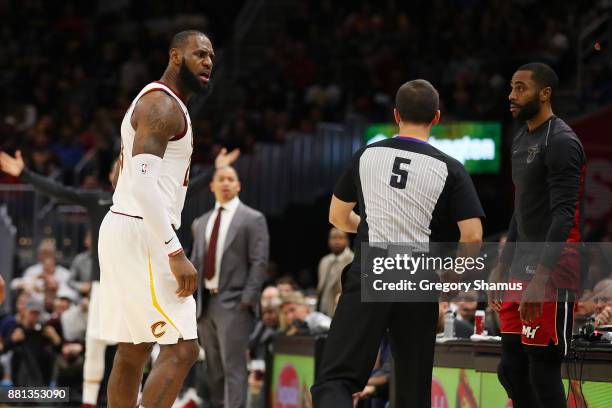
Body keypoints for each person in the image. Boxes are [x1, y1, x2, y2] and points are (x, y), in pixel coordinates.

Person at [0, 141, 238, 406]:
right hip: (104, 286)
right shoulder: (98, 200)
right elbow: (59, 191)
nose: (120, 169)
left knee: (146, 349)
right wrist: (24, 174)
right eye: (117, 166)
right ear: (114, 175)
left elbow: (188, 188)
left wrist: (212, 171)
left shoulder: (153, 203)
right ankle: (89, 402)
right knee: (101, 347)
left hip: (140, 280)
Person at [311, 79, 484, 407]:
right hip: (418, 274)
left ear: (396, 115)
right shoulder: (450, 168)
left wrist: (366, 224)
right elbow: (473, 235)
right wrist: (455, 274)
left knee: (337, 379)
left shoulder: (366, 155)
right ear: (436, 117)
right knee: (411, 388)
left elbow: (337, 216)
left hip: (371, 267)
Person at [97, 30, 215, 408]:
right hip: (142, 230)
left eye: (211, 56)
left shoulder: (164, 103)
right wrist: (174, 251)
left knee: (134, 348)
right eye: (199, 54)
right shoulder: (162, 106)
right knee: (183, 349)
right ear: (175, 57)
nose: (208, 62)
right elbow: (146, 188)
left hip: (127, 225)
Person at [489, 63, 586, 408]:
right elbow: (521, 209)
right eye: (511, 88)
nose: (511, 96)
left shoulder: (561, 141)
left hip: (553, 269)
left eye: (520, 88)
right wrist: (503, 264)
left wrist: (540, 277)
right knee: (510, 369)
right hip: (521, 269)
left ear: (545, 94)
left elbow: (563, 216)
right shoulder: (521, 138)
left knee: (542, 370)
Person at [191, 165, 269, 408]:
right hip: (205, 304)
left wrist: (247, 300)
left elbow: (259, 262)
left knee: (234, 368)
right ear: (212, 186)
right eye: (221, 179)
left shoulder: (252, 218)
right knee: (214, 371)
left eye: (231, 179)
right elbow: (195, 264)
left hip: (235, 302)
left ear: (238, 185)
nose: (225, 183)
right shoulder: (200, 222)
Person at [317, 228, 354, 317]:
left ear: (347, 240)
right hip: (323, 311)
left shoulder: (353, 260)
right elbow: (321, 287)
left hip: (342, 312)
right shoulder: (324, 261)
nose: (337, 241)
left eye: (341, 238)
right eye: (333, 238)